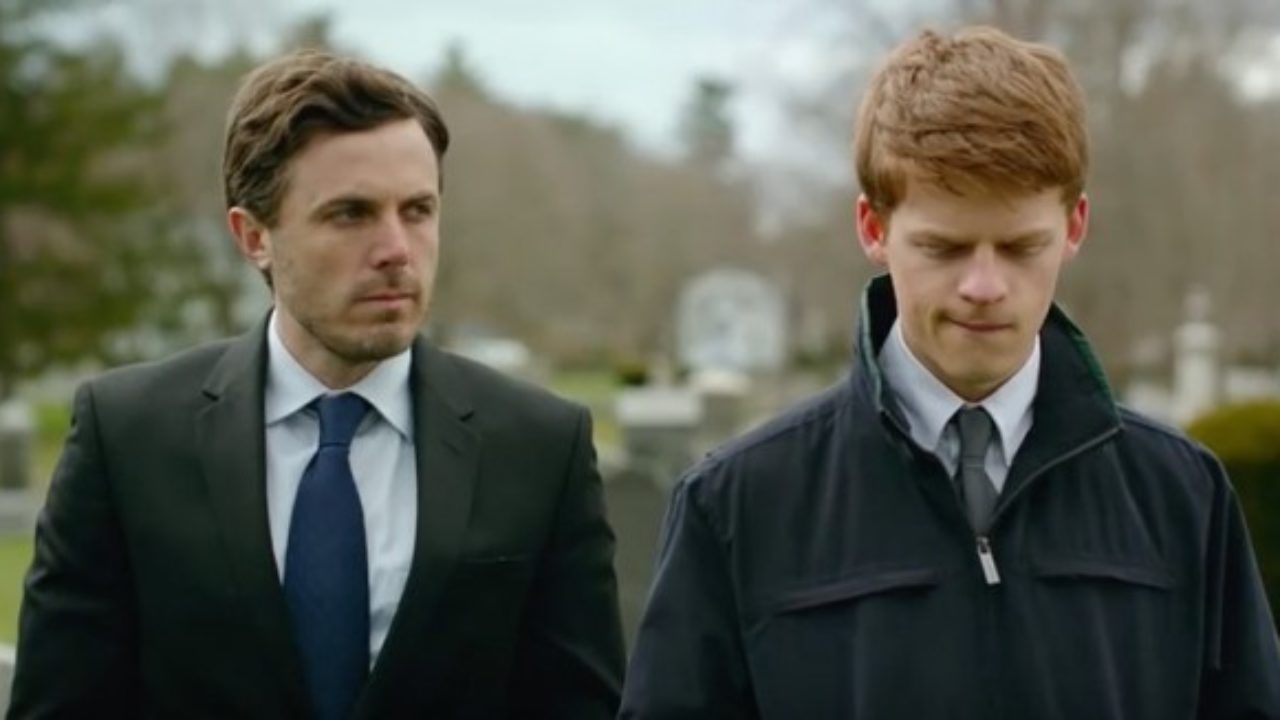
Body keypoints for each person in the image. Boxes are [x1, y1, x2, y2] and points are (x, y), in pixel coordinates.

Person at [621, 26, 1280, 719]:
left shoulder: (1182, 495)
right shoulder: (737, 506)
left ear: (1075, 226)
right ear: (873, 228)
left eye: (1021, 247)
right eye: (944, 248)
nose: (984, 287)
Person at [9, 50, 624, 719]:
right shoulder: (128, 437)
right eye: (351, 214)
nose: (396, 250)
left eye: (417, 210)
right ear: (253, 236)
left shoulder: (540, 447)